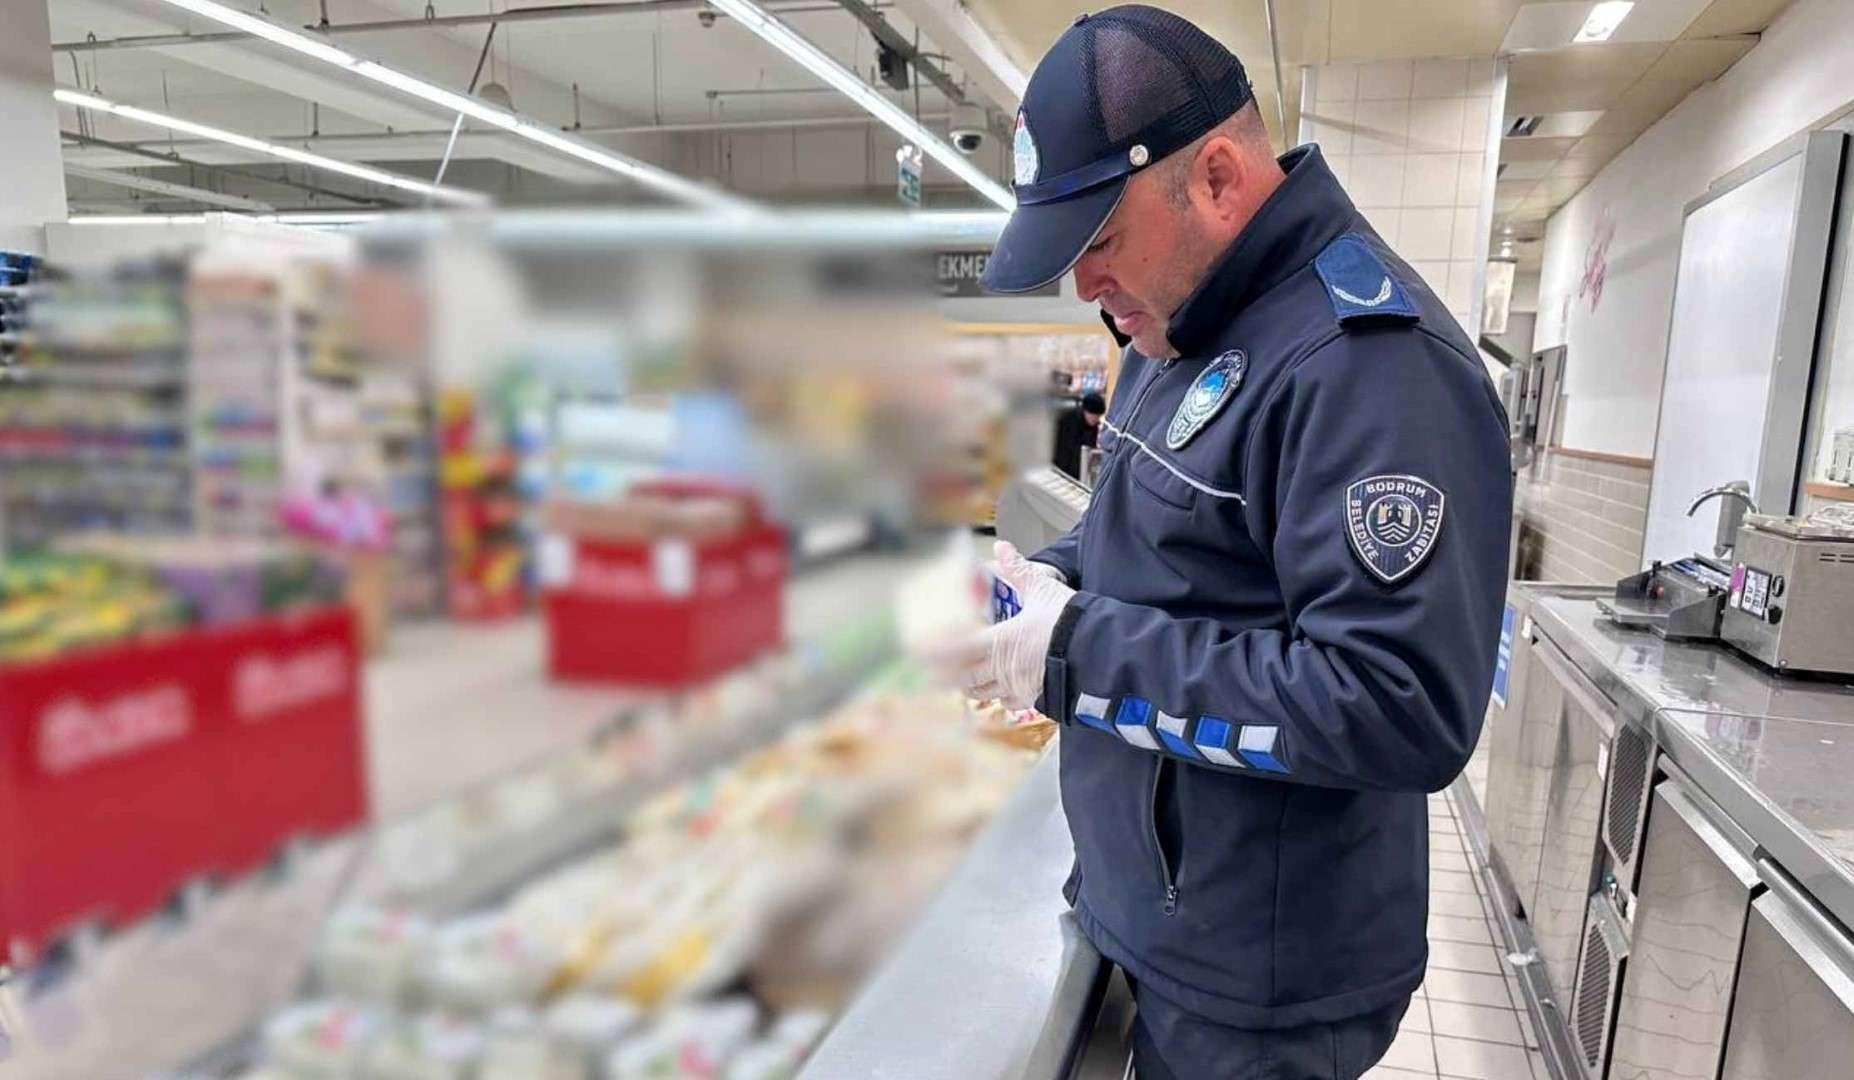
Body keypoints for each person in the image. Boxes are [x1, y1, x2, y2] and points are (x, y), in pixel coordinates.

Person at [941, 7, 1513, 1078]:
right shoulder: (1178, 327)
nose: (1084, 286)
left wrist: (1072, 651)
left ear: (1215, 178)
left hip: (1259, 981)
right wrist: (1031, 588)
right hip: (1160, 906)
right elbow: (1152, 540)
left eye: (1099, 241)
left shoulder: (1369, 367)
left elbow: (1397, 705)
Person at [1053, 391, 1107, 480]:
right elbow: (1065, 451)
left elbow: (1090, 447)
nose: (1095, 419)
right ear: (1085, 411)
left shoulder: (1093, 425)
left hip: (1080, 467)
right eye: (1093, 415)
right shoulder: (1070, 421)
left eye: (1098, 416)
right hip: (1063, 467)